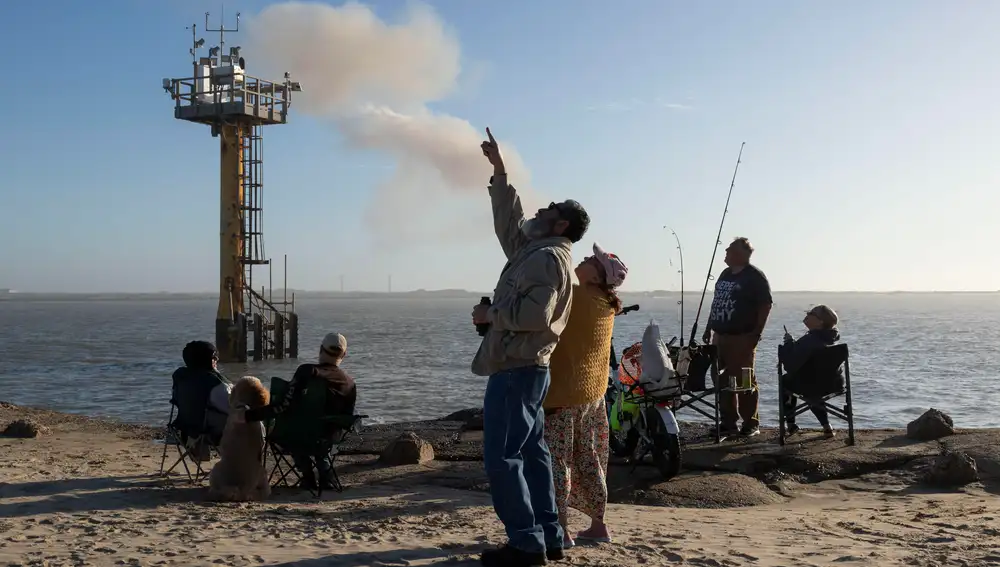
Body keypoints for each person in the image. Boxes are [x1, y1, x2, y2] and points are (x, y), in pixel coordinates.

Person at [471, 127, 590, 567]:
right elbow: (509, 220)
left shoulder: (544, 258)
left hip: (517, 367)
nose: (540, 209)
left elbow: (536, 316)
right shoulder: (536, 249)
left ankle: (525, 542)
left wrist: (491, 317)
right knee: (532, 453)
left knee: (503, 457)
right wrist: (500, 171)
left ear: (561, 225)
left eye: (550, 209)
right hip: (531, 369)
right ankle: (550, 536)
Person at [544, 243, 627, 549]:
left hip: (562, 395)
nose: (585, 258)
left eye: (593, 260)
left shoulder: (575, 296)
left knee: (558, 463)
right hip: (592, 395)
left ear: (597, 276)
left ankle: (562, 530)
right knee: (591, 459)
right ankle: (598, 525)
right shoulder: (606, 302)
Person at [234, 333, 357, 490]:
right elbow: (346, 418)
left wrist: (248, 416)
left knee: (296, 430)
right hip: (328, 440)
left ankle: (308, 475)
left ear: (321, 349)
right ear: (344, 355)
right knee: (320, 431)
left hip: (296, 437)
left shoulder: (308, 371)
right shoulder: (350, 384)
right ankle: (326, 476)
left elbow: (283, 405)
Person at [702, 237, 772, 438]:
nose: (725, 251)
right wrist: (709, 327)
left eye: (729, 249)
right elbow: (717, 302)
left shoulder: (755, 277)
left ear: (740, 254)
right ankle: (728, 422)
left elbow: (765, 305)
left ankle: (750, 423)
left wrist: (756, 334)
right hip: (719, 336)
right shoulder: (725, 274)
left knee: (743, 380)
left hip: (742, 337)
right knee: (721, 380)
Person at [780, 305, 842, 438]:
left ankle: (790, 424)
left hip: (810, 386)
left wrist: (789, 346)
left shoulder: (809, 341)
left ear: (821, 321)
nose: (807, 315)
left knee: (786, 380)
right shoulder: (832, 341)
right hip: (833, 384)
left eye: (811, 313)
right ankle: (826, 426)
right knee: (812, 386)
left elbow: (790, 366)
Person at [171, 341, 232, 444]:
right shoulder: (216, 384)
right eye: (214, 357)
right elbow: (232, 410)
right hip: (212, 434)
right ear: (208, 360)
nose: (216, 360)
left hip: (186, 432)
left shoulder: (180, 378)